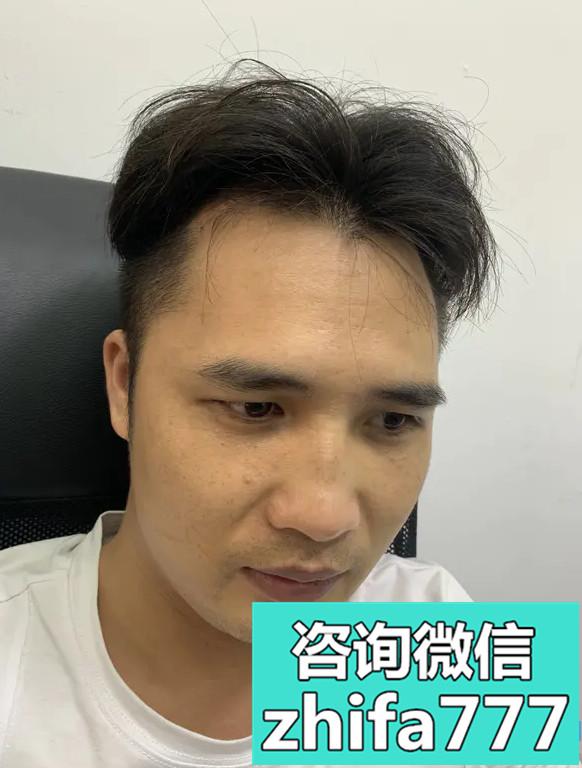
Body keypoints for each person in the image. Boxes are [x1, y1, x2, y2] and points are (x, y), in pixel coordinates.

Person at [2, 60, 568, 768]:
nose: (325, 518)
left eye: (393, 420)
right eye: (255, 407)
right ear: (125, 384)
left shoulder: (434, 635)